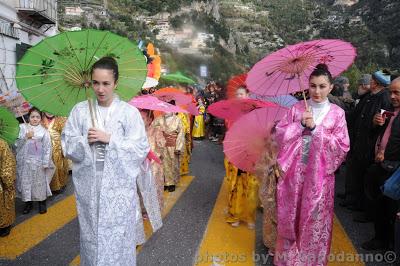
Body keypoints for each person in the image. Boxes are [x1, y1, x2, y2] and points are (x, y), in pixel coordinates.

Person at [62, 57, 149, 265]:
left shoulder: (129, 113)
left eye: (106, 83)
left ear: (115, 83)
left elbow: (140, 148)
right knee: (92, 240)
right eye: (96, 83)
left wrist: (111, 139)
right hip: (90, 189)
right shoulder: (80, 111)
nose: (100, 89)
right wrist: (86, 140)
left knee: (118, 239)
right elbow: (67, 143)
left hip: (118, 191)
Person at [274, 64, 349, 265]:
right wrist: (298, 125)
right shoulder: (296, 109)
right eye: (313, 85)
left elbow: (342, 147)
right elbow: (280, 135)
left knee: (314, 220)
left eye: (322, 86)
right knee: (292, 217)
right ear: (307, 85)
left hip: (319, 180)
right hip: (294, 176)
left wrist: (316, 130)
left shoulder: (337, 114)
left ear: (331, 87)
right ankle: (289, 260)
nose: (316, 91)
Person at [342, 70, 391, 217]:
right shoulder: (370, 96)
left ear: (375, 83)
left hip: (369, 146)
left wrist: (376, 124)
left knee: (366, 179)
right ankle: (355, 201)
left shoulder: (384, 99)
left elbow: (382, 123)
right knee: (358, 174)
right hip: (360, 143)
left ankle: (365, 209)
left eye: (372, 80)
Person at [362, 77, 400, 251]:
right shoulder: (390, 110)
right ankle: (380, 239)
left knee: (389, 209)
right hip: (379, 164)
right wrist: (376, 124)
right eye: (391, 92)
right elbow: (375, 134)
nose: (391, 96)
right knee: (379, 207)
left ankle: (388, 243)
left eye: (396, 92)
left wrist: (387, 155)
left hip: (393, 169)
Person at [225, 86, 259, 229]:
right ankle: (235, 215)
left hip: (252, 153)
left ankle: (249, 216)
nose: (239, 97)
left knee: (251, 187)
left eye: (242, 94)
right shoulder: (232, 113)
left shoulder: (255, 112)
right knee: (235, 186)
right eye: (237, 94)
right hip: (236, 153)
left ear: (248, 95)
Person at [15, 107, 55, 214]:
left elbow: (47, 148)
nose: (35, 119)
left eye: (37, 117)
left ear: (40, 118)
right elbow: (15, 144)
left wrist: (46, 162)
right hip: (25, 162)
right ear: (29, 117)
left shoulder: (44, 131)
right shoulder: (22, 127)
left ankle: (42, 202)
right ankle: (28, 203)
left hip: (38, 162)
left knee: (39, 182)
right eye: (32, 116)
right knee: (26, 182)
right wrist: (25, 137)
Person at [151, 106, 185, 192]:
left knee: (173, 164)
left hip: (172, 146)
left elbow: (181, 134)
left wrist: (178, 147)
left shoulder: (177, 119)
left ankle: (172, 183)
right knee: (162, 164)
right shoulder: (159, 119)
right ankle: (165, 182)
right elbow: (152, 129)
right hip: (161, 146)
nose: (166, 111)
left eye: (168, 108)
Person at [42, 113, 69, 193]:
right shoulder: (41, 120)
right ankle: (52, 186)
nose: (49, 112)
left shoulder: (60, 119)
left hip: (58, 148)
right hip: (46, 149)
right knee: (50, 168)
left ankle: (61, 184)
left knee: (59, 166)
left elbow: (65, 135)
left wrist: (64, 147)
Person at [0, 138, 16, 237]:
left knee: (3, 203)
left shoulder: (2, 144)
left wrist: (8, 181)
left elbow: (8, 164)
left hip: (1, 182)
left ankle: (4, 225)